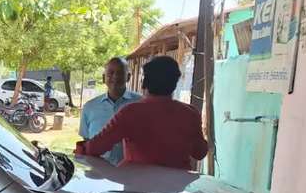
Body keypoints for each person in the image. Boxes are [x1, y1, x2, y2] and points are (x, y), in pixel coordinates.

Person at [74, 55, 208, 170]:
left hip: (137, 189)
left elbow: (95, 147)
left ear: (144, 82)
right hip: (175, 190)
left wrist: (82, 149)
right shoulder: (190, 113)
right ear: (175, 83)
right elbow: (200, 153)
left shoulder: (130, 112)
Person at [79, 57, 141, 165]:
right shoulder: (89, 107)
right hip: (99, 172)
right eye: (110, 73)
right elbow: (86, 140)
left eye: (120, 73)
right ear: (103, 78)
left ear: (128, 77)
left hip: (131, 173)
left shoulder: (141, 104)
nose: (115, 77)